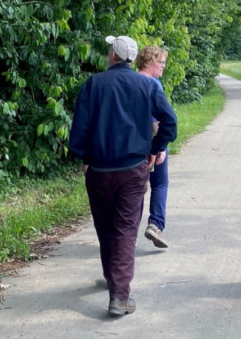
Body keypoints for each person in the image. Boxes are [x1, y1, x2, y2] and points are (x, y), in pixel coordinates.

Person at [69, 35, 177, 317]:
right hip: (133, 169)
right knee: (126, 230)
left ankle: (112, 277)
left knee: (105, 227)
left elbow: (79, 130)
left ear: (113, 56)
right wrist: (156, 149)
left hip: (99, 170)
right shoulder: (145, 84)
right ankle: (119, 295)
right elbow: (170, 121)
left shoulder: (94, 84)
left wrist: (85, 158)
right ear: (129, 58)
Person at [135, 45, 171, 249]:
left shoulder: (130, 80)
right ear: (149, 61)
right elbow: (156, 120)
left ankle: (129, 230)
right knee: (159, 184)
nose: (163, 66)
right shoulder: (154, 84)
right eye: (161, 62)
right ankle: (156, 225)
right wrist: (161, 147)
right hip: (151, 143)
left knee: (136, 188)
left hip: (133, 144)